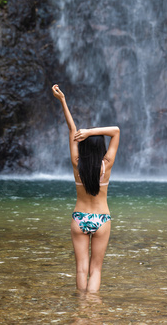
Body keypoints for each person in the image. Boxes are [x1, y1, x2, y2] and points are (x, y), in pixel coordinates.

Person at [52, 84, 120, 292]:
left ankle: (81, 309)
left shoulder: (76, 163)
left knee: (81, 269)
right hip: (101, 219)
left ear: (82, 146)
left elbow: (72, 130)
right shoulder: (105, 165)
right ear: (101, 148)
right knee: (96, 269)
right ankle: (92, 309)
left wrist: (62, 101)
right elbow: (116, 131)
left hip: (79, 218)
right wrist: (92, 132)